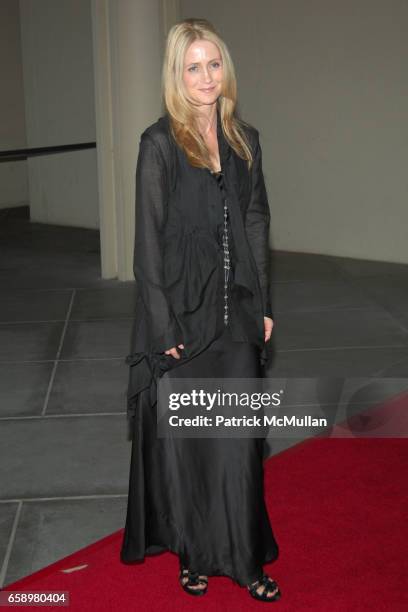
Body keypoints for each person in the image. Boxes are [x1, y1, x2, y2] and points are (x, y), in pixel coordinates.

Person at [120, 18, 281, 603]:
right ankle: (193, 554)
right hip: (181, 318)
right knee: (189, 450)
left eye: (214, 64)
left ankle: (245, 560)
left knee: (239, 444)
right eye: (193, 67)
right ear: (176, 75)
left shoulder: (245, 140)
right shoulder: (158, 144)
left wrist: (262, 303)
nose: (206, 77)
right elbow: (147, 246)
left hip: (236, 313)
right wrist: (162, 328)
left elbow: (257, 220)